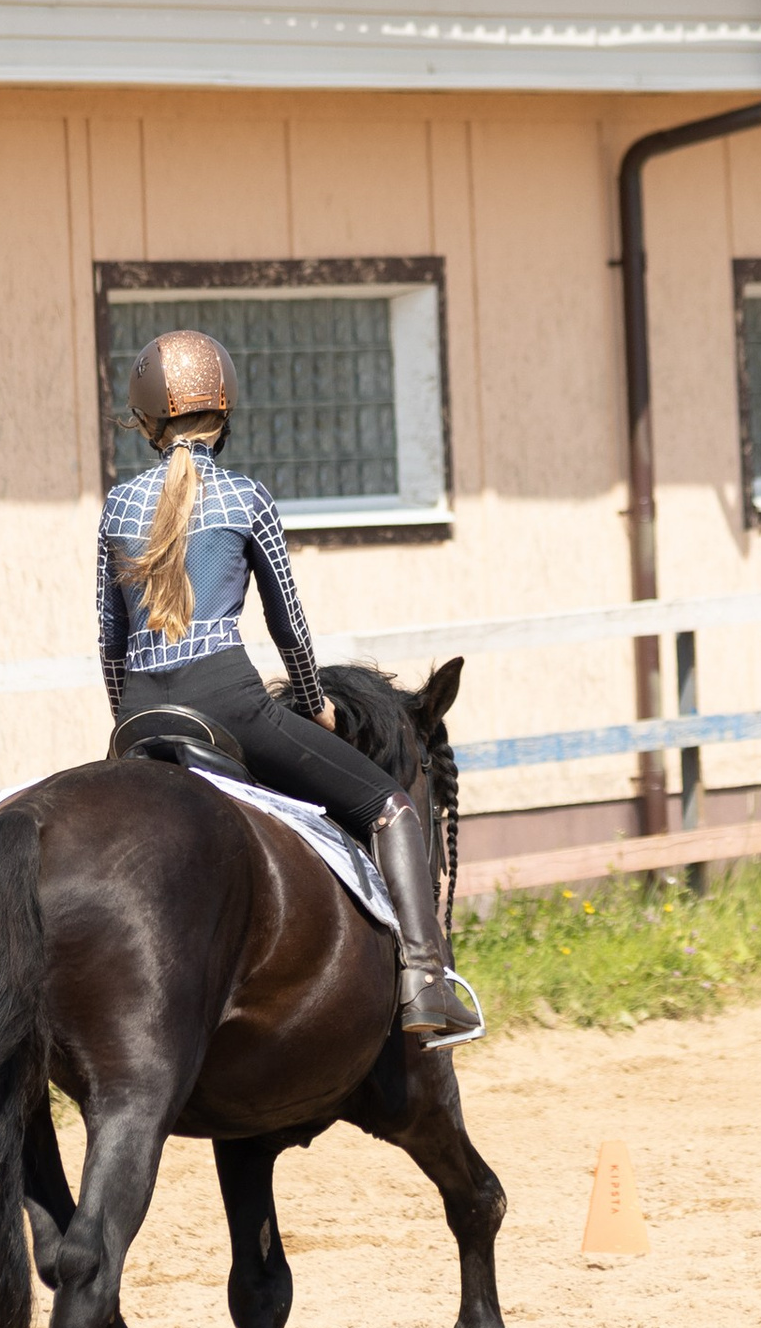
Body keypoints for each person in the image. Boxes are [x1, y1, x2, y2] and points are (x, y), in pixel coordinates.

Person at [98, 328, 480, 1047]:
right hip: (226, 702)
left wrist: (130, 727)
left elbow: (109, 644)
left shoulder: (117, 506)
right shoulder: (247, 498)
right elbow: (290, 631)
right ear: (225, 414)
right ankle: (427, 981)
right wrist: (314, 705)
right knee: (394, 807)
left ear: (147, 423)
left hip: (142, 715)